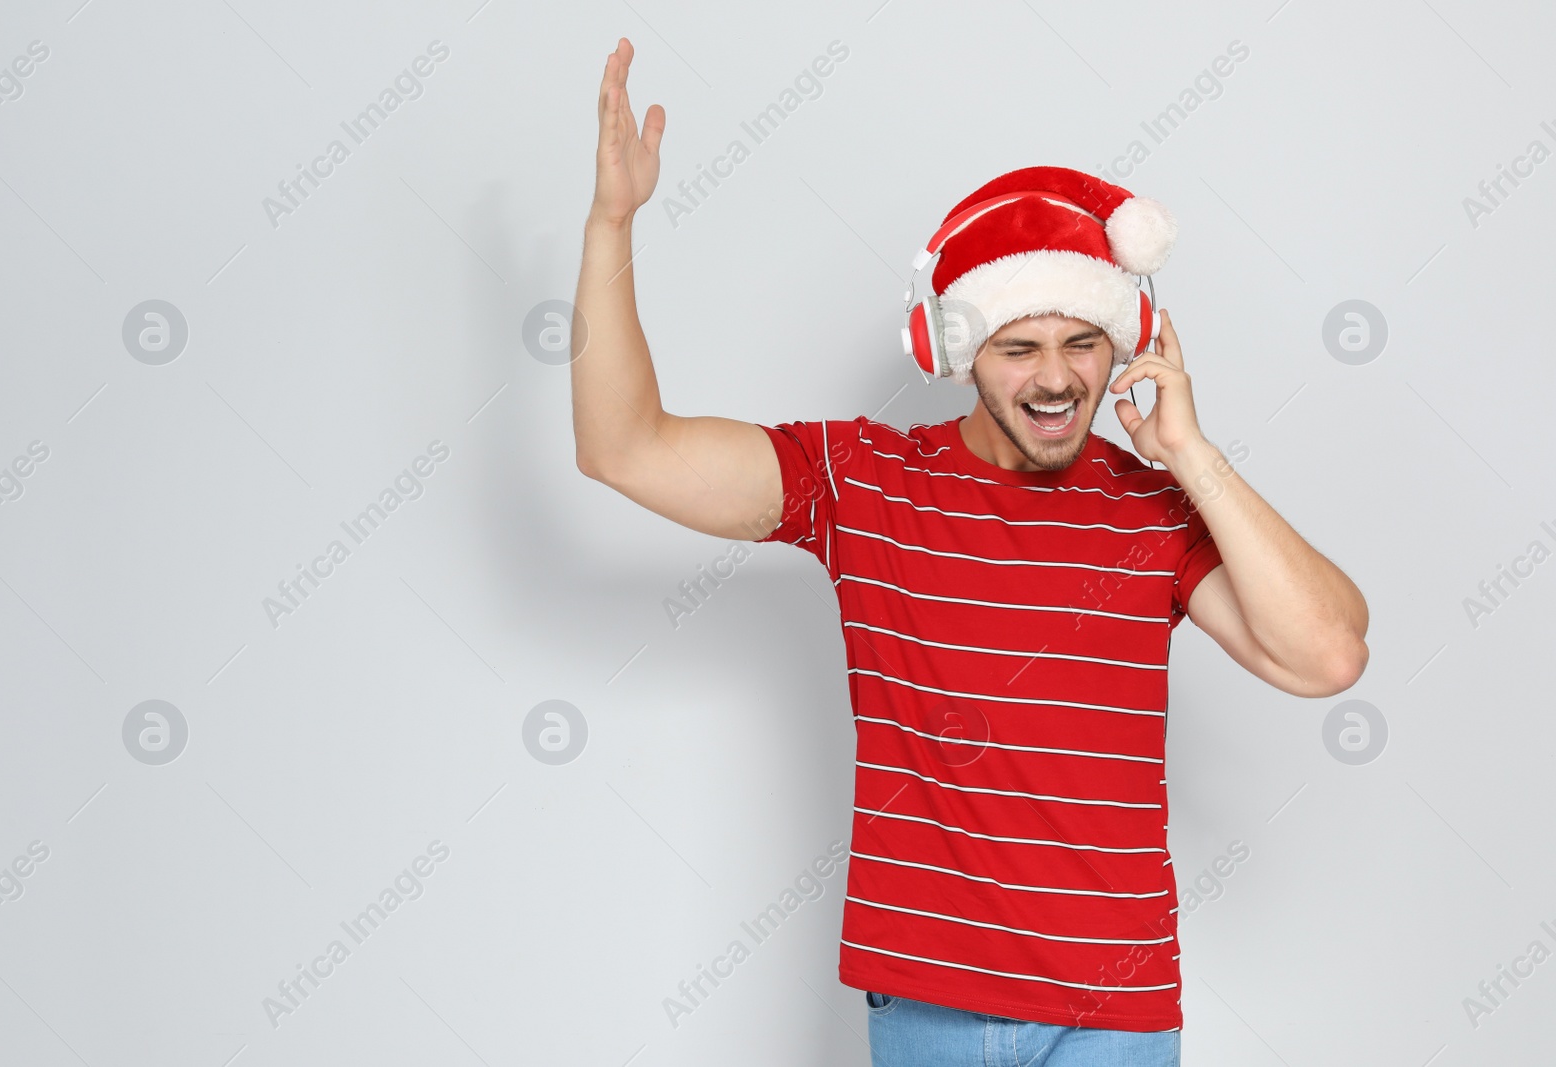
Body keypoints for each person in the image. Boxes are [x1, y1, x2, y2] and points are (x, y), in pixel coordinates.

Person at [572, 37, 1369, 1067]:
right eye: (1018, 346)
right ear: (955, 354)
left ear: (1121, 345)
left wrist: (1190, 451)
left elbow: (1328, 654)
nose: (1055, 376)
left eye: (1082, 343)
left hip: (1116, 1017)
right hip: (927, 1012)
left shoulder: (1154, 509)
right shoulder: (863, 481)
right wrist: (611, 223)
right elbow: (623, 447)